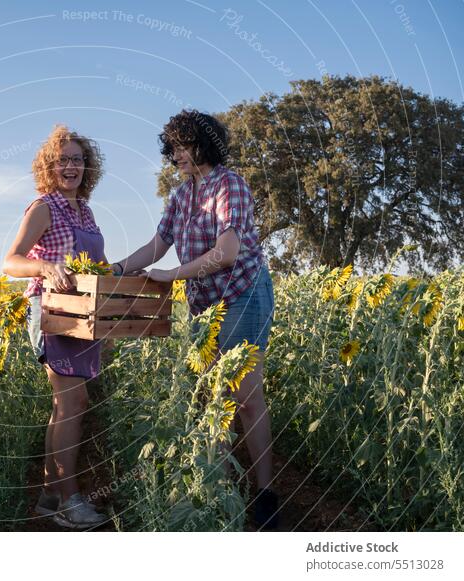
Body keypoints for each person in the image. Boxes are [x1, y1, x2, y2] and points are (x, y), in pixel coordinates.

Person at [111, 109, 279, 530]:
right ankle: (221, 486)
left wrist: (171, 275)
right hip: (205, 305)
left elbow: (226, 254)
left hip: (242, 294)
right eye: (172, 149)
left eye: (183, 147)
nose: (176, 156)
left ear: (204, 145)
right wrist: (114, 271)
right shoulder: (182, 195)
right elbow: (157, 245)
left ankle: (265, 493)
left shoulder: (230, 186)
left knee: (245, 395)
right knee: (213, 396)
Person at [2, 125, 109, 529]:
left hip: (84, 313)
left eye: (78, 159)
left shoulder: (85, 210)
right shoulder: (43, 207)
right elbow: (10, 261)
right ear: (50, 166)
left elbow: (93, 263)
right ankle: (70, 501)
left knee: (64, 406)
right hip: (52, 310)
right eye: (63, 159)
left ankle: (50, 495)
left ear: (87, 167)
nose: (72, 166)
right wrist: (44, 266)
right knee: (73, 404)